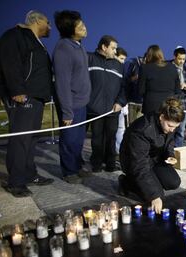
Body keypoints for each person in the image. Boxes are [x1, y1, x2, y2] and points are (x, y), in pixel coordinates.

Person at [0, 10, 54, 197]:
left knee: (31, 139)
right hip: (23, 96)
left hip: (37, 97)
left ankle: (29, 174)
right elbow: (9, 63)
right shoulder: (14, 36)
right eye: (47, 22)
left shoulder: (37, 42)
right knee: (21, 139)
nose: (50, 26)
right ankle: (15, 182)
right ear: (37, 20)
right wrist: (17, 90)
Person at [118, 97, 184, 214]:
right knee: (157, 195)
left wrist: (170, 154)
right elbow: (139, 164)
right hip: (133, 162)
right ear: (161, 117)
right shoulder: (141, 130)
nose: (172, 130)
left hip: (154, 159)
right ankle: (126, 182)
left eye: (176, 127)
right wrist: (154, 195)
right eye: (170, 126)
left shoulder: (167, 124)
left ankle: (151, 181)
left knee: (173, 182)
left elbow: (169, 141)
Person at [53, 10, 91, 184]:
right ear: (69, 30)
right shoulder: (63, 49)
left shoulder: (79, 46)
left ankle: (77, 165)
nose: (84, 27)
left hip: (82, 103)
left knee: (78, 139)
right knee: (69, 139)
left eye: (83, 23)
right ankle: (69, 171)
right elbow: (62, 83)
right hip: (71, 105)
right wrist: (67, 112)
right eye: (80, 26)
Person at [87, 35, 126, 172]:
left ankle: (110, 164)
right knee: (96, 139)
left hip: (113, 110)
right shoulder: (89, 59)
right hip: (94, 109)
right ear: (104, 47)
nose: (115, 51)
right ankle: (96, 163)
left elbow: (124, 88)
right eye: (113, 48)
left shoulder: (119, 65)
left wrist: (120, 102)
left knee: (111, 138)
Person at [138, 45, 180, 115]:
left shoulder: (145, 68)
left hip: (151, 106)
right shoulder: (172, 67)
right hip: (169, 106)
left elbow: (141, 90)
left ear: (148, 55)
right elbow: (178, 90)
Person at [171, 46, 186, 147]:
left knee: (181, 129)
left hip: (184, 102)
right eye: (180, 59)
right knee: (171, 128)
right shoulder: (169, 68)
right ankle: (168, 151)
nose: (182, 61)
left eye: (184, 59)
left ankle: (178, 151)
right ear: (174, 57)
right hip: (172, 101)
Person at [115, 47, 129, 154]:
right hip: (111, 105)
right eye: (121, 58)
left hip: (121, 104)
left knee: (121, 128)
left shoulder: (122, 69)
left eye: (124, 59)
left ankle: (119, 151)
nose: (123, 61)